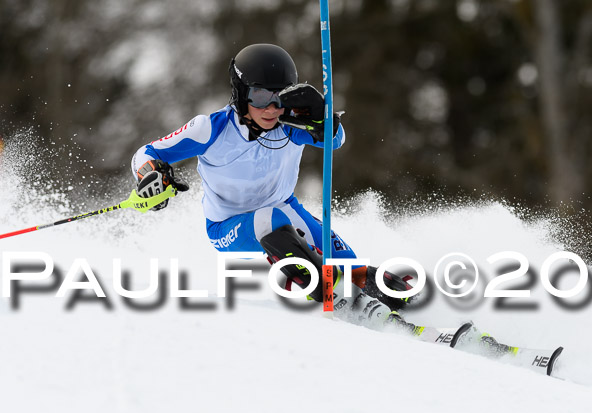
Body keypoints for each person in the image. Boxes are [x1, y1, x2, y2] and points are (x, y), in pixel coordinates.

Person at [130, 43, 419, 332]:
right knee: (270, 220)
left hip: (285, 209)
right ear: (242, 93)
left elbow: (335, 141)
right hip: (227, 227)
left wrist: (324, 119)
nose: (271, 108)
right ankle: (336, 298)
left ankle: (405, 312)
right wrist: (150, 175)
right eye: (259, 95)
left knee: (352, 269)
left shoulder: (290, 124)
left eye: (279, 96)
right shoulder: (210, 129)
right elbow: (147, 153)